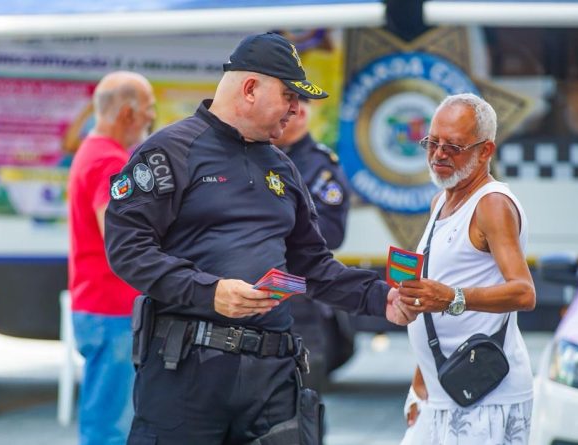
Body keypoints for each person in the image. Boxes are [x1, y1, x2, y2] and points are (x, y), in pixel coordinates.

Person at [103, 32, 412, 444]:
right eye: (288, 95)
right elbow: (128, 249)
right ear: (250, 88)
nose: (295, 109)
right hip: (188, 375)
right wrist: (209, 291)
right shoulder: (169, 153)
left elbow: (310, 265)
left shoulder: (283, 167)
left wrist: (380, 297)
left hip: (272, 377)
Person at [396, 93, 536, 445]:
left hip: (485, 395)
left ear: (485, 151)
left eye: (454, 147)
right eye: (433, 142)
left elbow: (523, 291)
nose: (439, 154)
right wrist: (420, 384)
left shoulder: (492, 205)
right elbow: (435, 312)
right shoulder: (440, 200)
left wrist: (451, 298)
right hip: (441, 392)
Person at [67, 70, 156, 445]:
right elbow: (120, 238)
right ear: (127, 115)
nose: (152, 119)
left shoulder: (91, 151)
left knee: (107, 418)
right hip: (112, 310)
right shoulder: (109, 162)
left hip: (97, 306)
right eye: (149, 111)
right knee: (110, 429)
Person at [272, 97, 353, 390]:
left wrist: (278, 226)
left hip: (299, 297)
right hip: (257, 294)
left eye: (286, 111)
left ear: (302, 113)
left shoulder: (320, 167)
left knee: (302, 397)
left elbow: (332, 232)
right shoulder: (260, 155)